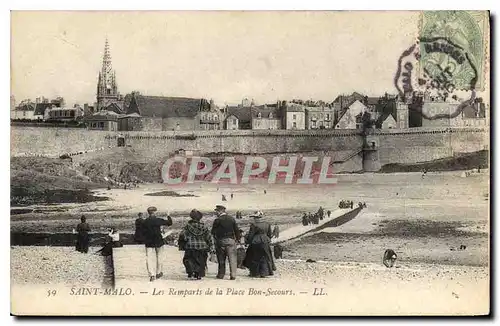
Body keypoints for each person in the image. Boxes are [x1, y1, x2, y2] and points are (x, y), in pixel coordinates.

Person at [178, 209, 214, 280]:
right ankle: (199, 274)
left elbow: (182, 235)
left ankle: (191, 271)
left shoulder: (187, 227)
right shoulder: (204, 227)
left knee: (189, 260)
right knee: (201, 261)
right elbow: (209, 237)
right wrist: (211, 246)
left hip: (190, 246)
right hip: (202, 247)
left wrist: (183, 243)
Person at [142, 207, 173, 282]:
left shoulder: (145, 221)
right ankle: (158, 272)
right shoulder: (158, 220)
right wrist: (168, 215)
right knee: (159, 257)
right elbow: (169, 223)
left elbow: (142, 232)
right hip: (158, 241)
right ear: (155, 212)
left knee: (149, 258)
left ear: (148, 212)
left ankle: (151, 274)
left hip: (149, 241)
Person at [243, 212, 276, 278]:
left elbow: (251, 235)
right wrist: (267, 240)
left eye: (255, 218)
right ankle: (264, 273)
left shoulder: (254, 225)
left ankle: (255, 273)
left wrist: (247, 242)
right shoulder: (267, 224)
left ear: (257, 218)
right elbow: (269, 234)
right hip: (265, 242)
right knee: (265, 257)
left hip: (256, 242)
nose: (254, 219)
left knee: (254, 256)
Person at [211, 205, 241, 280]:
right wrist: (237, 240)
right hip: (231, 240)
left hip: (220, 241)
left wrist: (215, 240)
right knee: (232, 259)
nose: (216, 213)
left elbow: (213, 232)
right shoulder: (231, 219)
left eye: (217, 211)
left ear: (220, 211)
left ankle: (221, 274)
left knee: (221, 259)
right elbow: (236, 230)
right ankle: (233, 275)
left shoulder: (217, 220)